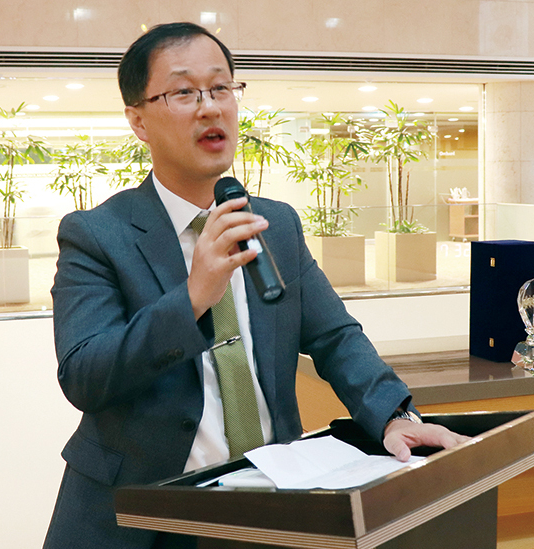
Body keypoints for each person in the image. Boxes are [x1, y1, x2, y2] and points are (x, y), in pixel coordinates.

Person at [43, 22, 468, 549]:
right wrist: (192, 298)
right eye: (184, 92)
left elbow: (336, 337)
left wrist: (393, 416)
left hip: (266, 505)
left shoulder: (276, 225)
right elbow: (84, 376)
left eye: (221, 87)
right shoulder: (97, 234)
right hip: (141, 516)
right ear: (139, 121)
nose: (210, 107)